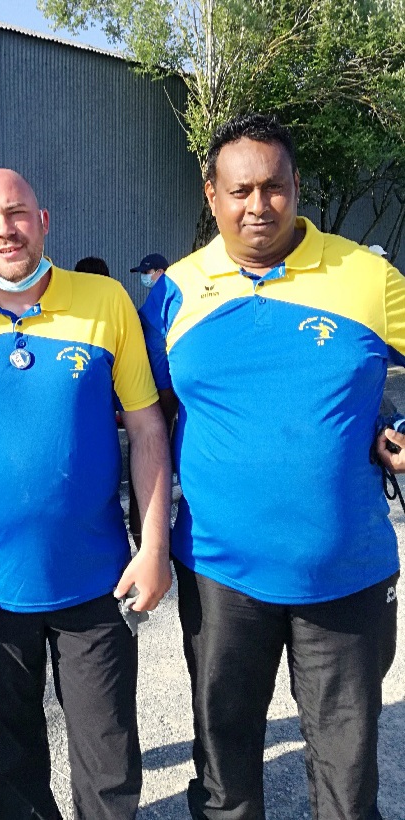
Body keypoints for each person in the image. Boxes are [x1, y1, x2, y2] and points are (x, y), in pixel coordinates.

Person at [139, 112, 402, 819]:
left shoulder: (367, 276)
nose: (259, 205)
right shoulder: (174, 292)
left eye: (274, 187)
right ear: (212, 195)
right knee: (225, 775)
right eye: (240, 190)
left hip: (346, 572)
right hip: (221, 572)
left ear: (297, 185)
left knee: (347, 783)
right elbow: (144, 413)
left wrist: (400, 425)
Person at [0, 168, 173, 820]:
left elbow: (147, 429)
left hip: (98, 583)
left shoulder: (105, 301)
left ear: (42, 221)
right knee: (13, 770)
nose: (6, 230)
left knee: (109, 769)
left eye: (17, 213)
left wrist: (154, 545)